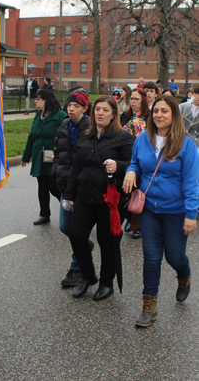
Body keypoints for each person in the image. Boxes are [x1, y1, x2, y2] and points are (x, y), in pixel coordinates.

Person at [123, 95, 199, 328]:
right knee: (152, 257)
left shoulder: (186, 144)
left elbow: (192, 181)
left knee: (174, 256)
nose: (158, 115)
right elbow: (135, 162)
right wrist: (131, 171)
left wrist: (191, 214)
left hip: (176, 211)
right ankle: (149, 305)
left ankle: (184, 276)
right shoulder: (143, 139)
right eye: (156, 111)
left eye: (164, 111)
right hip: (148, 210)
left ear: (174, 114)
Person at [63, 96, 134, 300]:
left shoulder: (124, 137)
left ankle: (106, 283)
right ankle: (87, 276)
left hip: (110, 201)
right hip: (85, 196)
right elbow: (76, 167)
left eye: (105, 110)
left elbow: (132, 163)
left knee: (107, 242)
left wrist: (118, 166)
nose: (100, 113)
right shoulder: (86, 136)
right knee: (76, 235)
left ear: (114, 114)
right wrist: (69, 195)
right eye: (97, 110)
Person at [52, 90, 91, 287]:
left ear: (84, 108)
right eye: (69, 105)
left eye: (76, 106)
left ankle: (76, 267)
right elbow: (57, 152)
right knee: (64, 226)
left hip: (82, 187)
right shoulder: (64, 125)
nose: (71, 109)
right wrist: (56, 170)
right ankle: (84, 246)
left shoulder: (91, 127)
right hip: (64, 185)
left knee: (75, 229)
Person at [21, 89, 67, 225]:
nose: (36, 101)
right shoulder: (38, 116)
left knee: (54, 186)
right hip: (39, 157)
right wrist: (25, 156)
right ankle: (44, 214)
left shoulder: (60, 116)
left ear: (45, 101)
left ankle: (69, 207)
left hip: (54, 157)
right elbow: (32, 137)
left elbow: (66, 137)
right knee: (42, 186)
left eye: (38, 99)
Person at [120, 88, 149, 239]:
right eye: (131, 98)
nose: (133, 101)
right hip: (125, 158)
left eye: (136, 99)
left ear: (143, 100)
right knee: (126, 192)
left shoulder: (149, 117)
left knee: (139, 192)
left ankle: (137, 225)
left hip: (142, 159)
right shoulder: (124, 117)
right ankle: (129, 218)